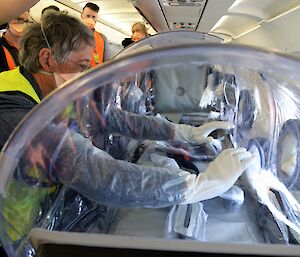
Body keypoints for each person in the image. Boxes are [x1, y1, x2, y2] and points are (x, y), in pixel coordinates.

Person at [0, 11, 254, 246]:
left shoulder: (55, 93)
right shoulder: (11, 108)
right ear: (47, 59)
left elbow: (114, 119)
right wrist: (198, 185)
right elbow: (91, 169)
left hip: (41, 218)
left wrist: (181, 133)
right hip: (13, 234)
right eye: (81, 66)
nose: (87, 75)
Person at [80, 2, 110, 67]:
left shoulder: (103, 38)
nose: (91, 19)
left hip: (95, 75)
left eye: (93, 17)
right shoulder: (71, 34)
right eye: (87, 16)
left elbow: (106, 63)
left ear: (96, 18)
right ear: (81, 16)